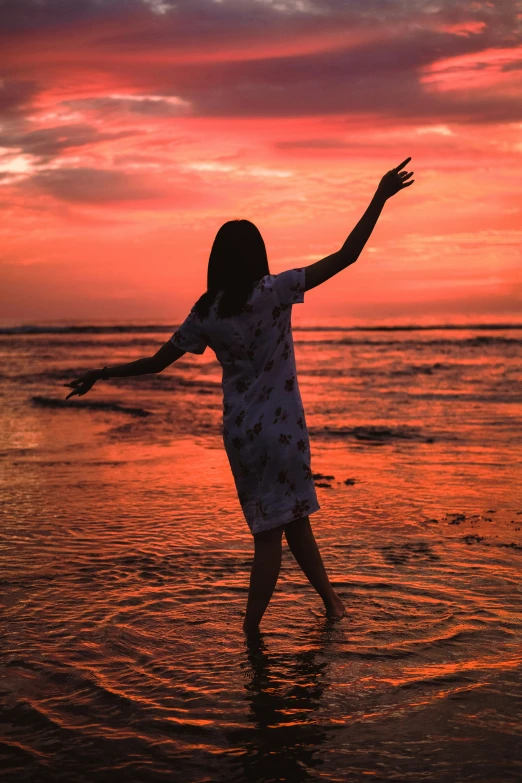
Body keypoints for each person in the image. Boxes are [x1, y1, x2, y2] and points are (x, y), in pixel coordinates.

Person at [64, 157, 414, 634]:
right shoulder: (275, 290)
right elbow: (346, 255)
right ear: (257, 256)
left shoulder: (206, 311)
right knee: (275, 534)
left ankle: (332, 604)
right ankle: (251, 631)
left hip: (242, 438)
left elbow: (157, 362)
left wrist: (101, 372)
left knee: (290, 523)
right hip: (284, 432)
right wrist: (380, 196)